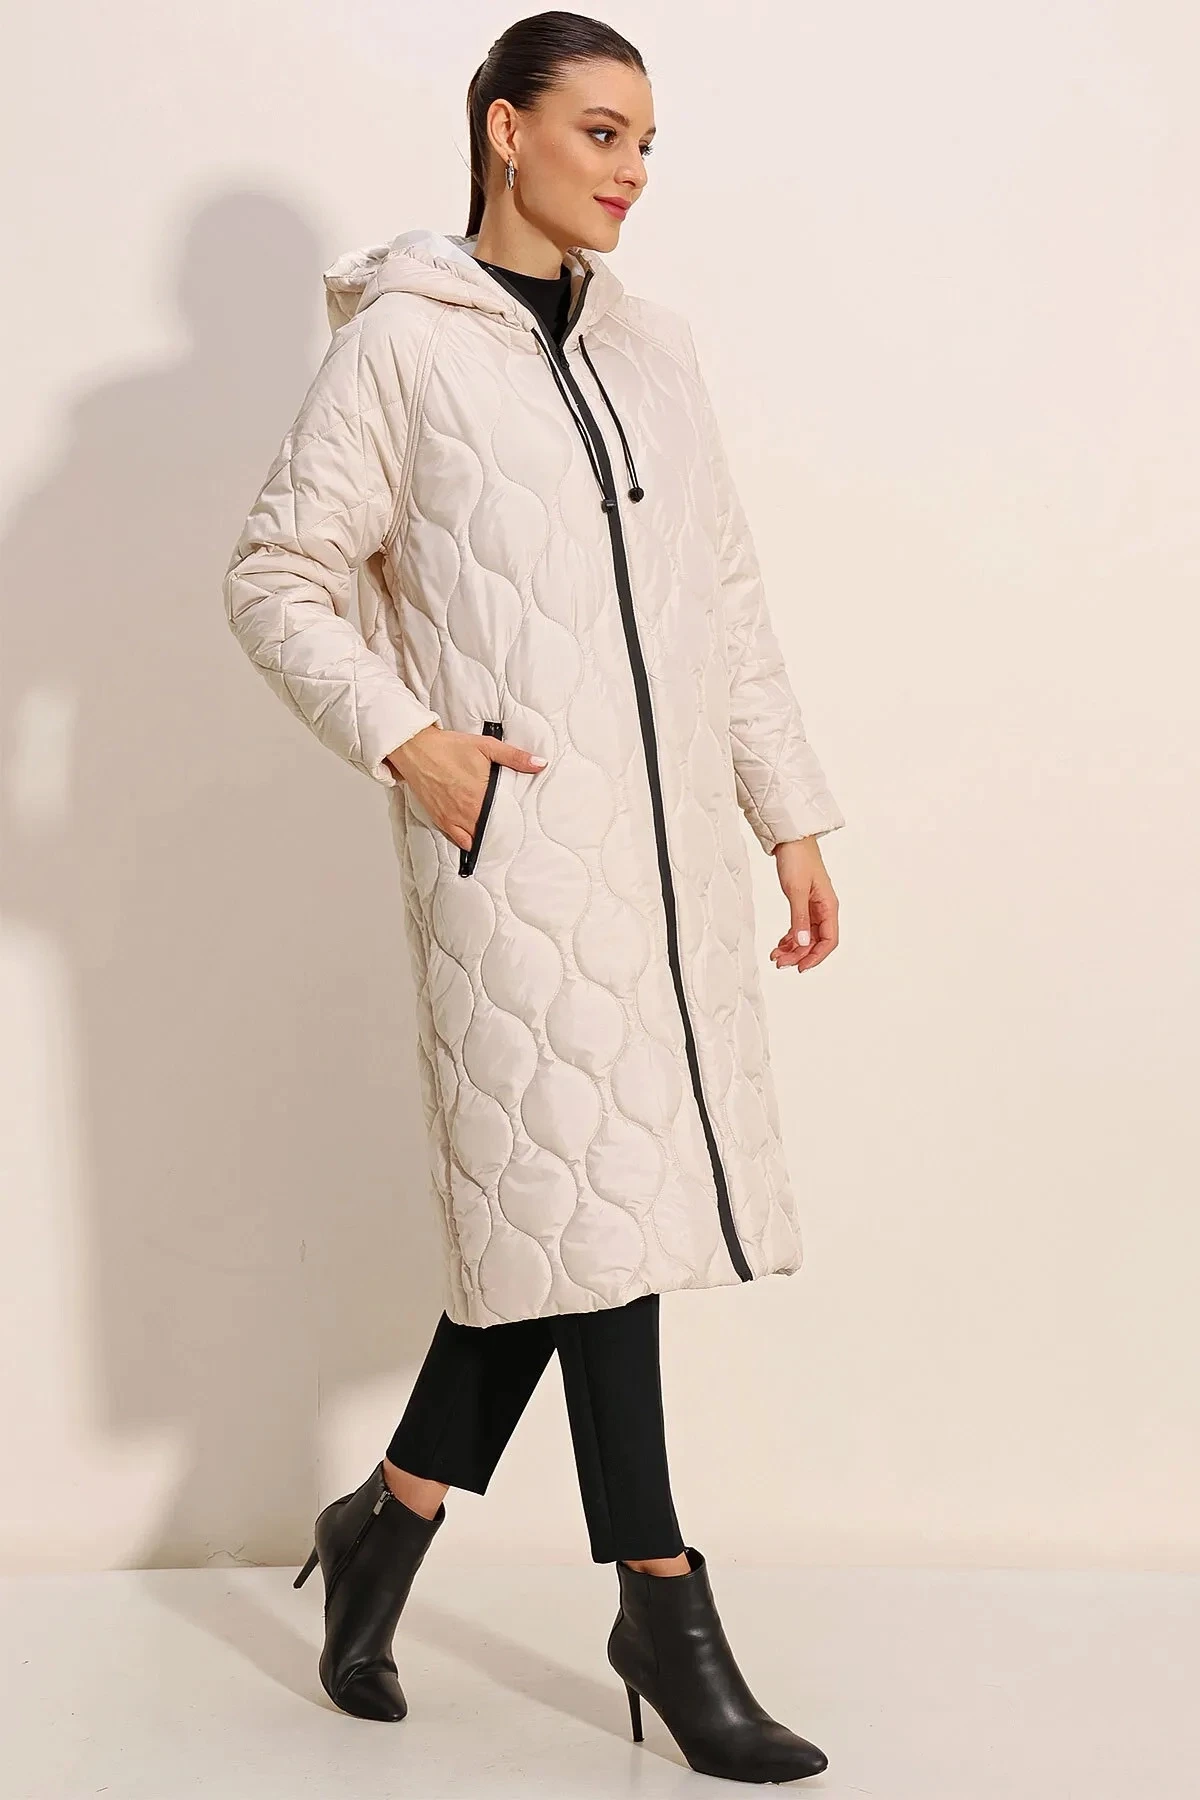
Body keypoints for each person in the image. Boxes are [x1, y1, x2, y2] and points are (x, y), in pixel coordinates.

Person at [223, 11, 843, 1783]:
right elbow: (276, 575)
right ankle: (661, 1598)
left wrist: (788, 815)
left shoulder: (655, 352)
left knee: (567, 1220)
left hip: (669, 868)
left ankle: (387, 1524)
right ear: (505, 131)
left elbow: (726, 595)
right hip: (516, 858)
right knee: (593, 1222)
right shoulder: (402, 350)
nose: (632, 169)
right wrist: (410, 740)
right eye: (599, 131)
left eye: (646, 141)